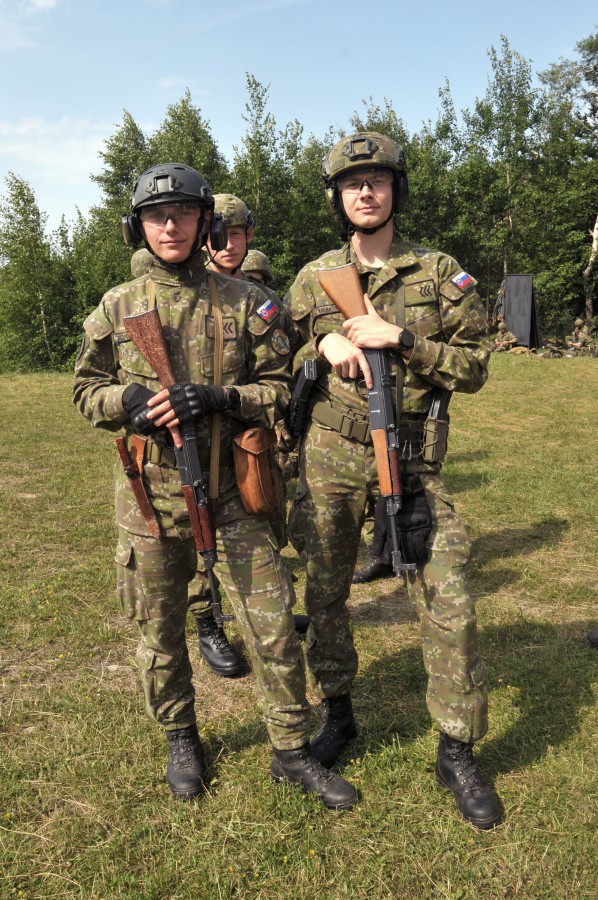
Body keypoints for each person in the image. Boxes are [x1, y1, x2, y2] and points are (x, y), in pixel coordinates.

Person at [73, 163, 356, 810]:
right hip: (151, 498)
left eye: (183, 214)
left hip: (232, 489)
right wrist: (130, 403)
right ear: (138, 228)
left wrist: (224, 397)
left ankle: (292, 749)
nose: (170, 226)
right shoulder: (119, 306)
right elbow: (86, 390)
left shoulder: (246, 301)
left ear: (208, 224)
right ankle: (181, 737)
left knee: (273, 625)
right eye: (156, 216)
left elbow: (282, 388)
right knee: (160, 631)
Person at [287, 132, 501, 829]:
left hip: (410, 459)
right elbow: (278, 349)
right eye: (352, 183)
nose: (365, 191)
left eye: (377, 180)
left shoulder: (438, 272)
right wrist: (321, 343)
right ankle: (339, 711)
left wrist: (402, 340)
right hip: (330, 456)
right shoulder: (315, 275)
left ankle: (456, 748)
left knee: (449, 595)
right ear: (337, 198)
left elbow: (476, 366)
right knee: (324, 593)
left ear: (395, 191)